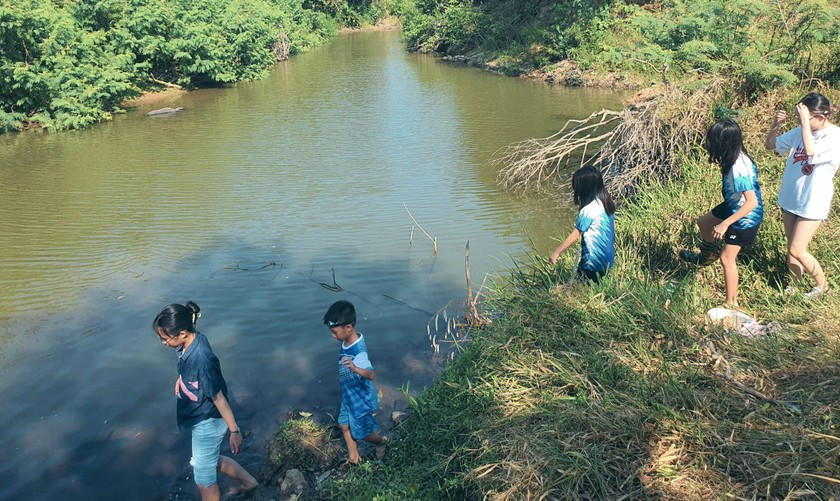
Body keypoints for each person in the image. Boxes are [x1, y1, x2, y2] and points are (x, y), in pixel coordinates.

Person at [152, 302, 258, 501]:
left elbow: (218, 398)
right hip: (199, 416)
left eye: (165, 338)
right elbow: (186, 364)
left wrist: (234, 431)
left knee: (204, 480)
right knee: (210, 461)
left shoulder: (202, 359)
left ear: (182, 333)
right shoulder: (190, 341)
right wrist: (181, 379)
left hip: (207, 421)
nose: (164, 343)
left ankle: (246, 483)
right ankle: (250, 482)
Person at [679, 119, 764, 307]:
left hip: (745, 216)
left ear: (723, 143)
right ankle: (707, 257)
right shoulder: (734, 157)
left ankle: (731, 303)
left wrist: (726, 223)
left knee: (727, 258)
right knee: (704, 223)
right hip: (732, 205)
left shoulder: (738, 167)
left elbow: (751, 202)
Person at [765, 92, 840, 299]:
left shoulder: (835, 136)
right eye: (800, 118)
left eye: (806, 118)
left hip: (813, 201)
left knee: (798, 249)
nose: (801, 122)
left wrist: (805, 123)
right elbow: (770, 146)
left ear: (822, 117)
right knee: (791, 248)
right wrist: (776, 125)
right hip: (791, 197)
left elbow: (810, 152)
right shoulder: (801, 130)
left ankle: (822, 285)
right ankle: (794, 287)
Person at [323, 300, 387, 465]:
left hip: (359, 398)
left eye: (334, 331)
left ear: (348, 328)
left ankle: (381, 442)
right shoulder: (348, 341)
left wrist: (356, 368)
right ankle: (354, 457)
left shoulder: (359, 352)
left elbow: (371, 375)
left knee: (362, 433)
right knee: (344, 424)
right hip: (348, 394)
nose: (333, 335)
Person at [549, 165, 616, 283]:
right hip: (608, 262)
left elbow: (575, 235)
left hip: (593, 264)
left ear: (583, 189)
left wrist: (556, 253)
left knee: (576, 286)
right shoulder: (606, 202)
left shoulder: (588, 210)